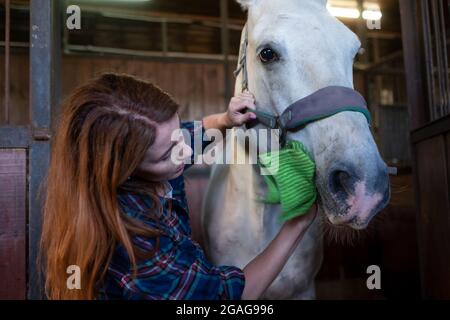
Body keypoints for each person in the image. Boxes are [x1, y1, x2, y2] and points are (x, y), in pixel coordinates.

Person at [40, 73, 318, 300]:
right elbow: (228, 297)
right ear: (124, 170)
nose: (184, 152)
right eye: (166, 155)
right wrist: (297, 225)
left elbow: (189, 134)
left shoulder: (158, 149)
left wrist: (225, 119)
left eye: (178, 136)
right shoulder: (136, 244)